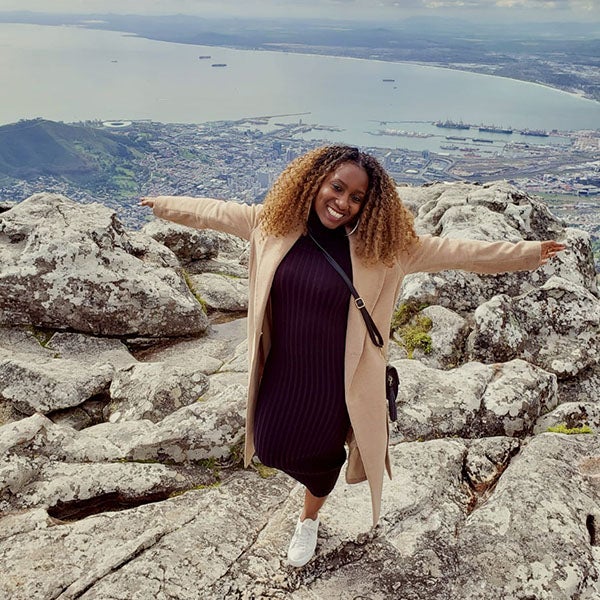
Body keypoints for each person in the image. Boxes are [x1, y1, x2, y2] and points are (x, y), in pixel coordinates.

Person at [140, 145, 565, 568]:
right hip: (285, 367)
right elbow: (212, 212)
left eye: (356, 197)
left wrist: (527, 253)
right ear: (315, 182)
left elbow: (459, 252)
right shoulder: (271, 225)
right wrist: (163, 205)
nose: (342, 203)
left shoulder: (386, 249)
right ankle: (314, 490)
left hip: (337, 381)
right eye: (337, 188)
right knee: (269, 446)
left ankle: (309, 517)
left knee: (321, 460)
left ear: (368, 203)